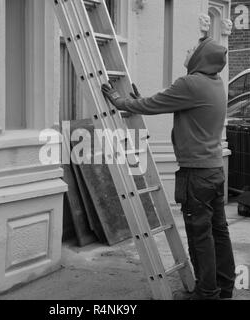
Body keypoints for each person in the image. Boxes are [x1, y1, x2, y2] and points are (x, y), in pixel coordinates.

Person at [102, 37, 236, 300]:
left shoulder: (190, 83)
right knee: (218, 232)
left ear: (200, 55)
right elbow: (169, 103)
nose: (187, 52)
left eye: (190, 49)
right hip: (214, 170)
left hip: (196, 174)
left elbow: (156, 104)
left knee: (200, 237)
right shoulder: (214, 82)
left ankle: (206, 292)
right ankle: (224, 288)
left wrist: (120, 101)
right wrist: (142, 100)